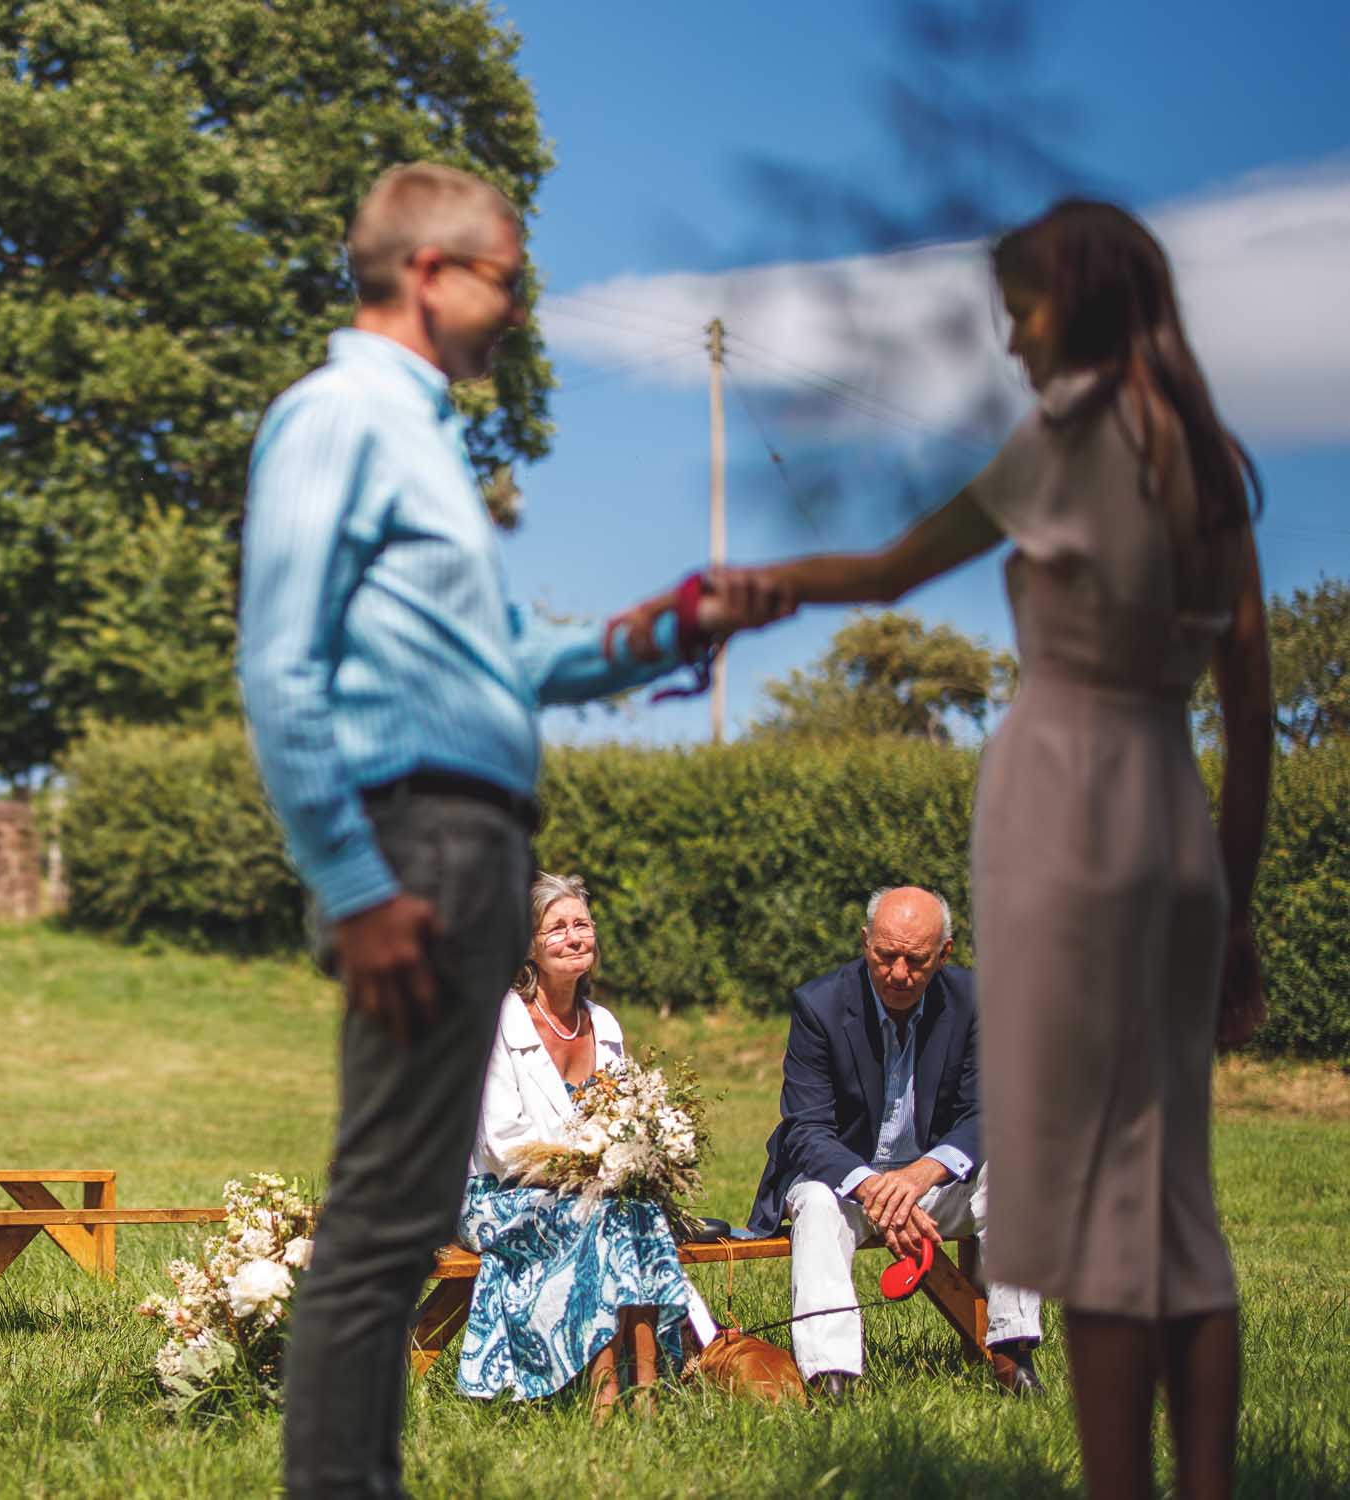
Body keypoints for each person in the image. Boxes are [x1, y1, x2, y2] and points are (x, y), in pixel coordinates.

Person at [237, 160, 785, 1498]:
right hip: (411, 843)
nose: (519, 308)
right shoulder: (337, 419)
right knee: (381, 1219)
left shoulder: (425, 444)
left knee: (405, 1209)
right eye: (507, 277)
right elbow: (277, 663)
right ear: (428, 273)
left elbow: (512, 657)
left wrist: (667, 627)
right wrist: (355, 888)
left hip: (472, 844)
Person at [727, 199, 1271, 1500]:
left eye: (1020, 309)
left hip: (1064, 822)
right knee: (1174, 1209)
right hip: (1173, 823)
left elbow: (895, 567)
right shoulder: (1208, 463)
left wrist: (751, 590)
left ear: (1071, 304)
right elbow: (1249, 724)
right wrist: (1235, 915)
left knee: (1073, 1201)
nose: (1012, 342)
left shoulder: (1066, 438)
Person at [744, 886, 1042, 1399]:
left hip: (935, 1184)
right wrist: (879, 1191)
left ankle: (1014, 1354)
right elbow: (806, 1128)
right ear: (865, 943)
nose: (899, 973)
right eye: (886, 956)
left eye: (916, 960)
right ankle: (830, 1374)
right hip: (845, 1184)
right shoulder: (819, 1005)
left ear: (944, 954)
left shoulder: (977, 1003)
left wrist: (919, 1176)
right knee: (815, 1204)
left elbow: (986, 1111)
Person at [456, 872, 720, 1401]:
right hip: (497, 1195)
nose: (575, 937)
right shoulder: (498, 1022)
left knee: (636, 1211)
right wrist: (591, 1171)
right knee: (602, 1214)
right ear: (529, 947)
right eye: (557, 928)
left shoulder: (605, 1024)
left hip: (591, 1192)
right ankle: (599, 1388)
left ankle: (647, 1386)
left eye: (583, 925)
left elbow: (621, 1118)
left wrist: (634, 1158)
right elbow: (501, 1146)